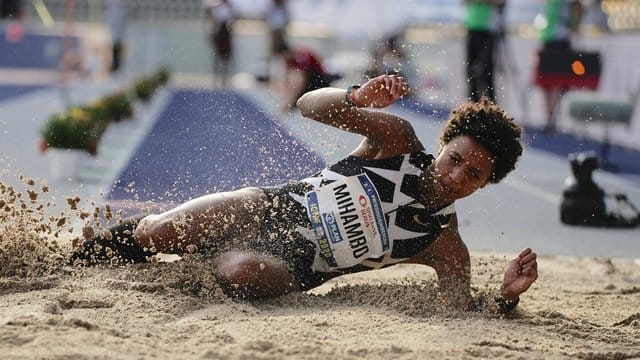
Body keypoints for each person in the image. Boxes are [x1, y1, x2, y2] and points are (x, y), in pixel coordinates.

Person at [70, 74, 538, 314]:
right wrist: (355, 98)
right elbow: (307, 106)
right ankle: (72, 264)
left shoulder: (444, 244)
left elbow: (460, 309)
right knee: (159, 229)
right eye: (455, 159)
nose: (458, 175)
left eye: (474, 174)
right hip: (263, 207)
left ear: (482, 186)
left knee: (240, 270)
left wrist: (508, 298)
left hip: (293, 267)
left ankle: (198, 261)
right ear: (443, 146)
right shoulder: (396, 140)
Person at [535, 0, 583, 132]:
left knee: (557, 80)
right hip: (547, 39)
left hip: (560, 40)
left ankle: (553, 118)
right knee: (546, 81)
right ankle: (549, 117)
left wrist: (574, 28)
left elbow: (578, 6)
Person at [463, 0, 506, 102]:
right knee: (471, 71)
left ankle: (491, 105)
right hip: (472, 28)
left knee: (486, 71)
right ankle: (473, 104)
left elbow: (501, 2)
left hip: (488, 31)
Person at [281, 43, 334, 109]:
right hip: (309, 77)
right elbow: (288, 75)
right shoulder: (289, 60)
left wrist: (294, 96)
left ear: (287, 52)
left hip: (318, 76)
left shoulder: (301, 55)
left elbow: (303, 77)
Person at [203, 0, 235, 87]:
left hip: (226, 34)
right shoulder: (216, 6)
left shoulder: (229, 6)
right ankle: (215, 80)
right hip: (219, 33)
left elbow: (232, 22)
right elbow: (211, 16)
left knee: (226, 59)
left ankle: (224, 80)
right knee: (217, 58)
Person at [105, 0, 127, 74]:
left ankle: (117, 66)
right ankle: (116, 66)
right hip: (114, 28)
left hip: (118, 29)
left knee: (117, 44)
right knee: (116, 44)